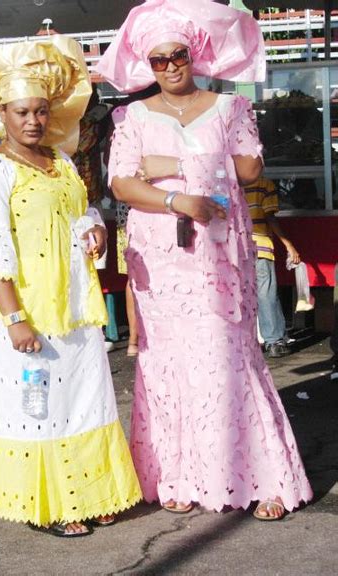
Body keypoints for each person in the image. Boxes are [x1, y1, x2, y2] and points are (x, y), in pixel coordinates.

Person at [97, 0, 313, 520]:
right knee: (166, 366)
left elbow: (247, 171)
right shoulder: (130, 116)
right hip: (162, 260)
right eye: (158, 60)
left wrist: (167, 165)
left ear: (193, 53)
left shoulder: (231, 108)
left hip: (218, 259)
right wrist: (176, 196)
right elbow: (123, 182)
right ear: (147, 66)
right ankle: (176, 475)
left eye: (177, 55)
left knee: (226, 361)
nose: (170, 66)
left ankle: (264, 479)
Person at [0, 38, 142, 537]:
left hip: (75, 307)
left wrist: (94, 228)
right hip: (28, 315)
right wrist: (14, 320)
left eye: (40, 111)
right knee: (39, 410)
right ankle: (48, 505)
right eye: (21, 112)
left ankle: (95, 493)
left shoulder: (62, 162)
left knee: (86, 400)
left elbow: (81, 213)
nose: (32, 121)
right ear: (1, 115)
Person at [245, 176, 300, 358]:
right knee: (267, 294)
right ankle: (274, 341)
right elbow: (270, 216)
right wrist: (288, 244)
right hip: (260, 247)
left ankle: (275, 336)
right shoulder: (264, 185)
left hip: (237, 250)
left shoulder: (230, 182)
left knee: (251, 294)